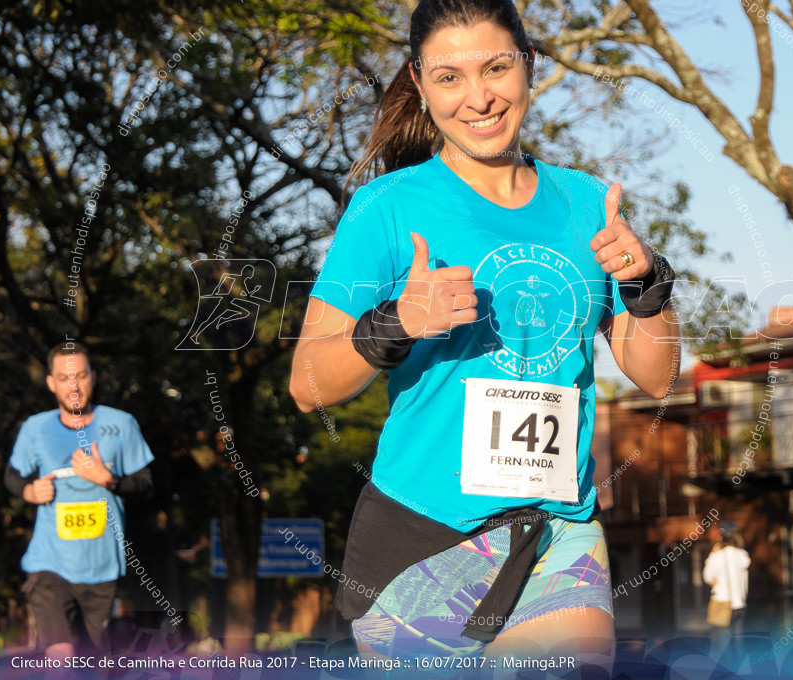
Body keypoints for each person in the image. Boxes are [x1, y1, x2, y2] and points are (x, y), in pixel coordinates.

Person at [289, 0, 680, 671]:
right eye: (449, 77)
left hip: (557, 530)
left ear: (528, 65)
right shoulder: (388, 207)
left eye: (497, 68)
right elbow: (306, 385)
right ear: (419, 81)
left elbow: (657, 375)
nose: (478, 98)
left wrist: (645, 281)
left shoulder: (586, 201)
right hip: (422, 542)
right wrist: (398, 323)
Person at [4, 340, 154, 670]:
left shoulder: (122, 425)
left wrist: (106, 478)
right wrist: (28, 491)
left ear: (93, 377)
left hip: (102, 569)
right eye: (63, 378)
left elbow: (145, 486)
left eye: (81, 376)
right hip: (50, 564)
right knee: (61, 655)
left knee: (91, 665)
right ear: (50, 383)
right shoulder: (35, 429)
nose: (73, 386)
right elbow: (12, 475)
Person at [704, 521, 751, 639]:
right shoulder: (742, 554)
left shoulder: (718, 555)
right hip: (740, 605)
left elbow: (707, 576)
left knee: (724, 645)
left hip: (723, 604)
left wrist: (712, 554)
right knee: (739, 642)